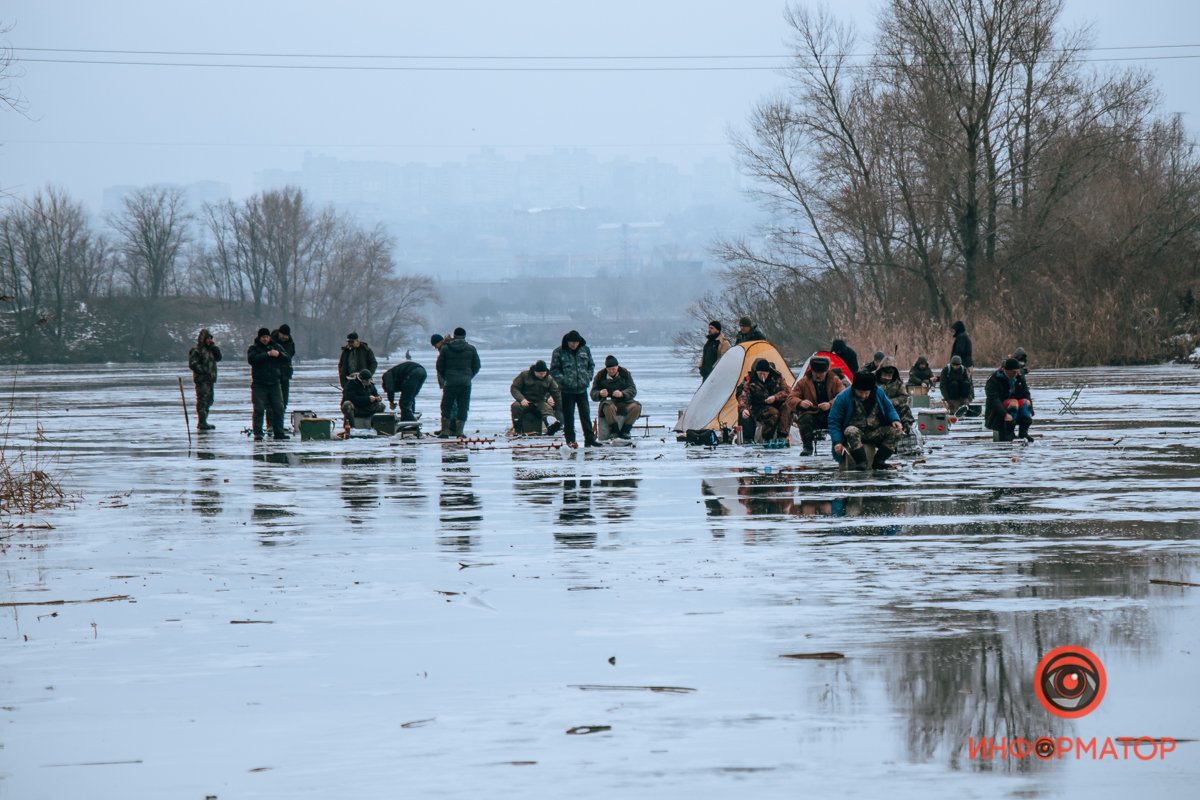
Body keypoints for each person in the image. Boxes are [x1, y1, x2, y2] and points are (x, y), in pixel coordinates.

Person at [828, 371, 903, 470]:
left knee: (896, 431)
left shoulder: (878, 393)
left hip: (875, 431)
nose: (863, 396)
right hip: (854, 434)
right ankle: (861, 462)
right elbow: (834, 421)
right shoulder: (843, 398)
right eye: (860, 392)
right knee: (850, 430)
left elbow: (889, 408)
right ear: (854, 388)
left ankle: (879, 461)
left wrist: (895, 420)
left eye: (866, 393)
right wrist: (837, 442)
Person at [550, 330, 600, 447]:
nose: (574, 345)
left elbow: (591, 365)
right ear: (567, 342)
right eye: (571, 342)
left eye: (576, 342)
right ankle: (571, 441)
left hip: (582, 389)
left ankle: (589, 439)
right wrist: (565, 381)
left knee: (585, 415)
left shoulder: (585, 350)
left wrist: (588, 377)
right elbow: (554, 370)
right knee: (569, 417)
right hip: (567, 390)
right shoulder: (558, 352)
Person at [786, 355, 841, 455]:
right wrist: (800, 402)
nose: (818, 376)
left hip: (830, 413)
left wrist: (830, 404)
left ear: (826, 371)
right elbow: (790, 398)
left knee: (839, 419)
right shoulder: (803, 382)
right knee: (805, 419)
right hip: (811, 414)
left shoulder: (835, 380)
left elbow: (842, 397)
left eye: (821, 373)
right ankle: (807, 448)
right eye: (815, 373)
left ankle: (838, 446)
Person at [435, 326, 481, 438]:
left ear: (454, 335)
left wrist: (446, 377)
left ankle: (445, 432)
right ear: (464, 336)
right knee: (463, 406)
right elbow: (477, 365)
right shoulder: (471, 348)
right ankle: (459, 432)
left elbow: (439, 366)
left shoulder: (445, 348)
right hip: (465, 383)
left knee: (446, 406)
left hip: (450, 382)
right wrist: (469, 376)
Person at [246, 326, 290, 441]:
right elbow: (252, 359)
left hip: (274, 383)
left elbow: (287, 358)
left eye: (267, 337)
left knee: (278, 408)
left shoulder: (276, 347)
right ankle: (258, 433)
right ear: (259, 338)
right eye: (263, 337)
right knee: (259, 409)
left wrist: (278, 355)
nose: (265, 339)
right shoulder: (254, 348)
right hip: (259, 384)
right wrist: (268, 354)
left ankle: (279, 433)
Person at [738, 357, 789, 442]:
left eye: (764, 374)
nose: (762, 376)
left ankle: (782, 436)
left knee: (787, 407)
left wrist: (775, 397)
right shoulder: (751, 382)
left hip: (777, 403)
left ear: (768, 372)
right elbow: (744, 396)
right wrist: (744, 409)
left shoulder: (777, 378)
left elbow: (787, 392)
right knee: (773, 412)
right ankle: (767, 437)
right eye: (760, 373)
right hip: (760, 407)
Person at [591, 355, 642, 440]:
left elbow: (632, 389)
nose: (612, 371)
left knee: (636, 407)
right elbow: (593, 393)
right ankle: (614, 431)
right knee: (608, 406)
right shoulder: (600, 376)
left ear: (617, 366)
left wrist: (622, 393)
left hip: (625, 401)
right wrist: (600, 393)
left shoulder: (625, 374)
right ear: (606, 369)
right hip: (608, 402)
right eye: (609, 369)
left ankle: (625, 430)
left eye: (614, 368)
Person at [985, 357, 1034, 442]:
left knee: (1025, 402)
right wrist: (1005, 414)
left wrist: (1031, 409)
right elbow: (994, 400)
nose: (1015, 374)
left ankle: (1023, 432)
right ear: (1005, 370)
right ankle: (1009, 432)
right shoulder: (993, 380)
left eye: (1017, 372)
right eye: (1013, 372)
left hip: (1016, 410)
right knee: (1013, 402)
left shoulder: (1019, 378)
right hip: (998, 411)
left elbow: (1026, 394)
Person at [510, 360, 563, 435]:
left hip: (539, 402)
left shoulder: (549, 379)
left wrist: (561, 407)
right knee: (516, 407)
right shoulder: (524, 375)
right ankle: (517, 429)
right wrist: (521, 399)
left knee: (547, 409)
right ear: (535, 371)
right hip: (525, 401)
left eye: (544, 373)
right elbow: (514, 388)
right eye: (540, 373)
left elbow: (556, 393)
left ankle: (551, 425)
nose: (542, 375)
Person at [187, 327, 222, 430]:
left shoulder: (210, 350)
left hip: (210, 380)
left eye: (210, 338)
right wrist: (204, 370)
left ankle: (204, 420)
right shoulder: (196, 350)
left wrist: (214, 347)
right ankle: (201, 422)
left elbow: (219, 358)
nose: (209, 340)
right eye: (208, 338)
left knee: (209, 400)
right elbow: (193, 364)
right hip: (202, 380)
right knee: (202, 400)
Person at [875, 357, 914, 434]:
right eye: (884, 375)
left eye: (889, 376)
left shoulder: (898, 382)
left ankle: (905, 430)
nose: (886, 378)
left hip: (892, 407)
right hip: (875, 407)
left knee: (905, 408)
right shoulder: (872, 378)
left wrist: (891, 402)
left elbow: (904, 397)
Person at [339, 369, 385, 434]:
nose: (369, 382)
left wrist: (377, 398)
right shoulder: (351, 384)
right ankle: (352, 429)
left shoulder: (370, 385)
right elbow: (351, 398)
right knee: (347, 405)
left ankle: (375, 427)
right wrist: (367, 399)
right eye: (367, 381)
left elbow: (376, 394)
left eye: (369, 380)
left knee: (381, 406)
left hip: (367, 408)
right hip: (355, 408)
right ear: (362, 380)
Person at [270, 324, 296, 412]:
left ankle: (279, 424)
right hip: (272, 376)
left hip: (285, 376)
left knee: (284, 401)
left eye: (286, 335)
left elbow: (288, 356)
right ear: (279, 333)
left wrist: (279, 355)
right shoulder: (271, 341)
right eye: (283, 335)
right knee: (271, 403)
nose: (284, 337)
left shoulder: (290, 343)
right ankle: (271, 424)